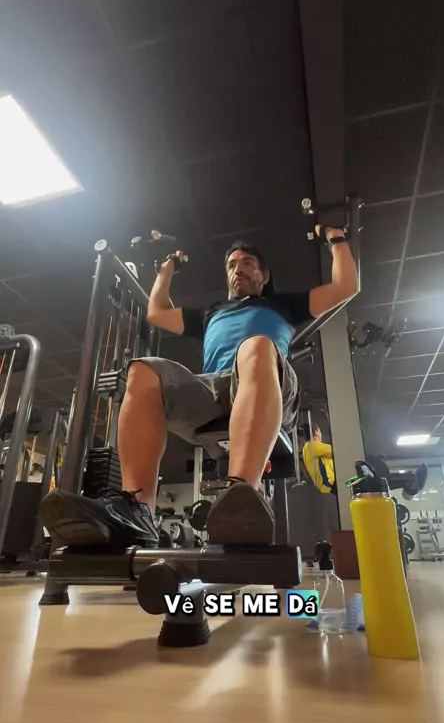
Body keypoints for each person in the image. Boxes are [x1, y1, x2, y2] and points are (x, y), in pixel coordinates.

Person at [40, 225, 357, 548]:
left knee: (257, 345)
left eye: (247, 263)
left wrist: (336, 236)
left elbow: (346, 286)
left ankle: (243, 496)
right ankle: (137, 510)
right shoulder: (211, 313)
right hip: (211, 393)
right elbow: (157, 313)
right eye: (232, 265)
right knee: (142, 371)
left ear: (264, 275)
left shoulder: (284, 305)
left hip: (267, 381)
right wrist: (167, 270)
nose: (238, 269)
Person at [302, 425, 336, 495]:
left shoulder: (310, 448)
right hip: (329, 483)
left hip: (328, 484)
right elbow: (336, 451)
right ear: (316, 432)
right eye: (320, 431)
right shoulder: (311, 446)